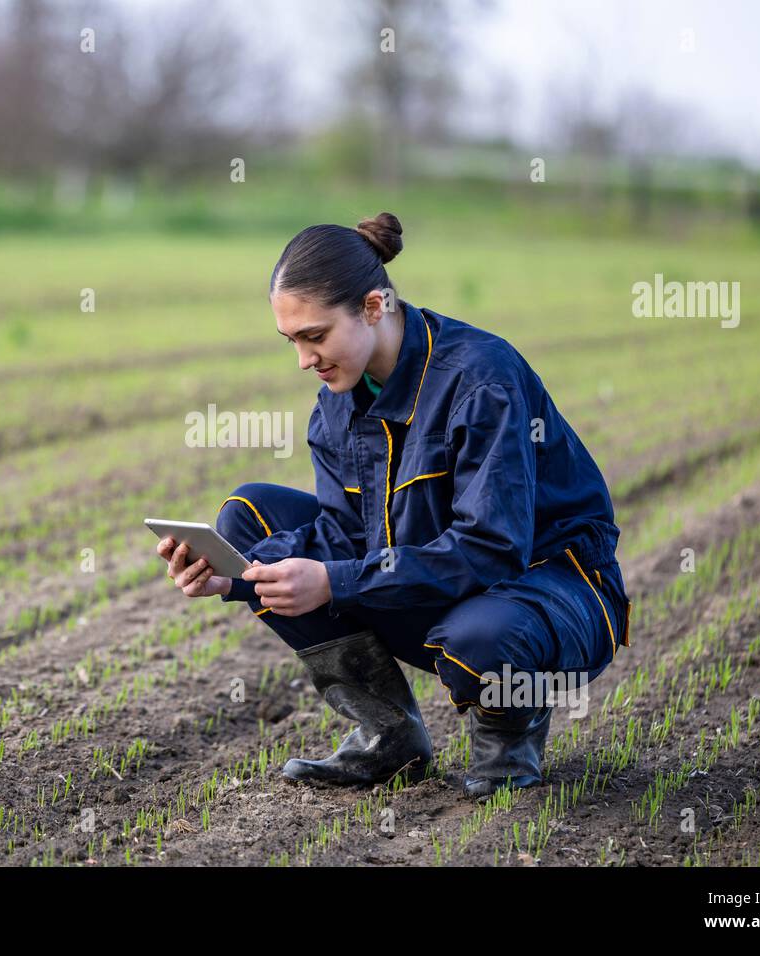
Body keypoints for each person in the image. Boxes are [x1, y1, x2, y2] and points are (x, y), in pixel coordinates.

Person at [155, 212, 632, 800]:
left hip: (551, 588)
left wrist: (334, 582)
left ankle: (510, 737)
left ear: (374, 307)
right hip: (434, 578)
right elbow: (342, 535)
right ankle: (390, 734)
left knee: (481, 634)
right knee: (246, 520)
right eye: (292, 341)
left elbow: (492, 550)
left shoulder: (483, 378)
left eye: (316, 335)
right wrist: (234, 579)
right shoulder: (335, 402)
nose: (304, 359)